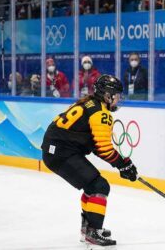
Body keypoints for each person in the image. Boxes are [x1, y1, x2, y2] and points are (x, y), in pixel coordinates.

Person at [41, 75, 138, 247]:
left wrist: (122, 165)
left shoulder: (88, 103)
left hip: (57, 150)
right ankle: (93, 231)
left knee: (92, 185)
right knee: (99, 186)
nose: (118, 99)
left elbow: (96, 147)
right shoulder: (101, 113)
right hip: (61, 153)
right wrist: (125, 165)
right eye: (116, 95)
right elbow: (103, 149)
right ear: (107, 95)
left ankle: (88, 228)